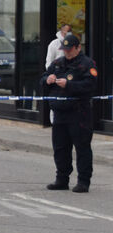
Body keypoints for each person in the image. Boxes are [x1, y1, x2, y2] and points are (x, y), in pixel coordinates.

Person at [40, 33, 97, 193]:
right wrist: (48, 80)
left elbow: (90, 85)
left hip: (79, 113)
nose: (67, 53)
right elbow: (43, 79)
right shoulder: (58, 63)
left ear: (78, 48)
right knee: (60, 148)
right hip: (60, 112)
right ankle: (61, 179)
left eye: (70, 50)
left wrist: (69, 85)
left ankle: (83, 181)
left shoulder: (86, 64)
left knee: (82, 147)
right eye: (65, 50)